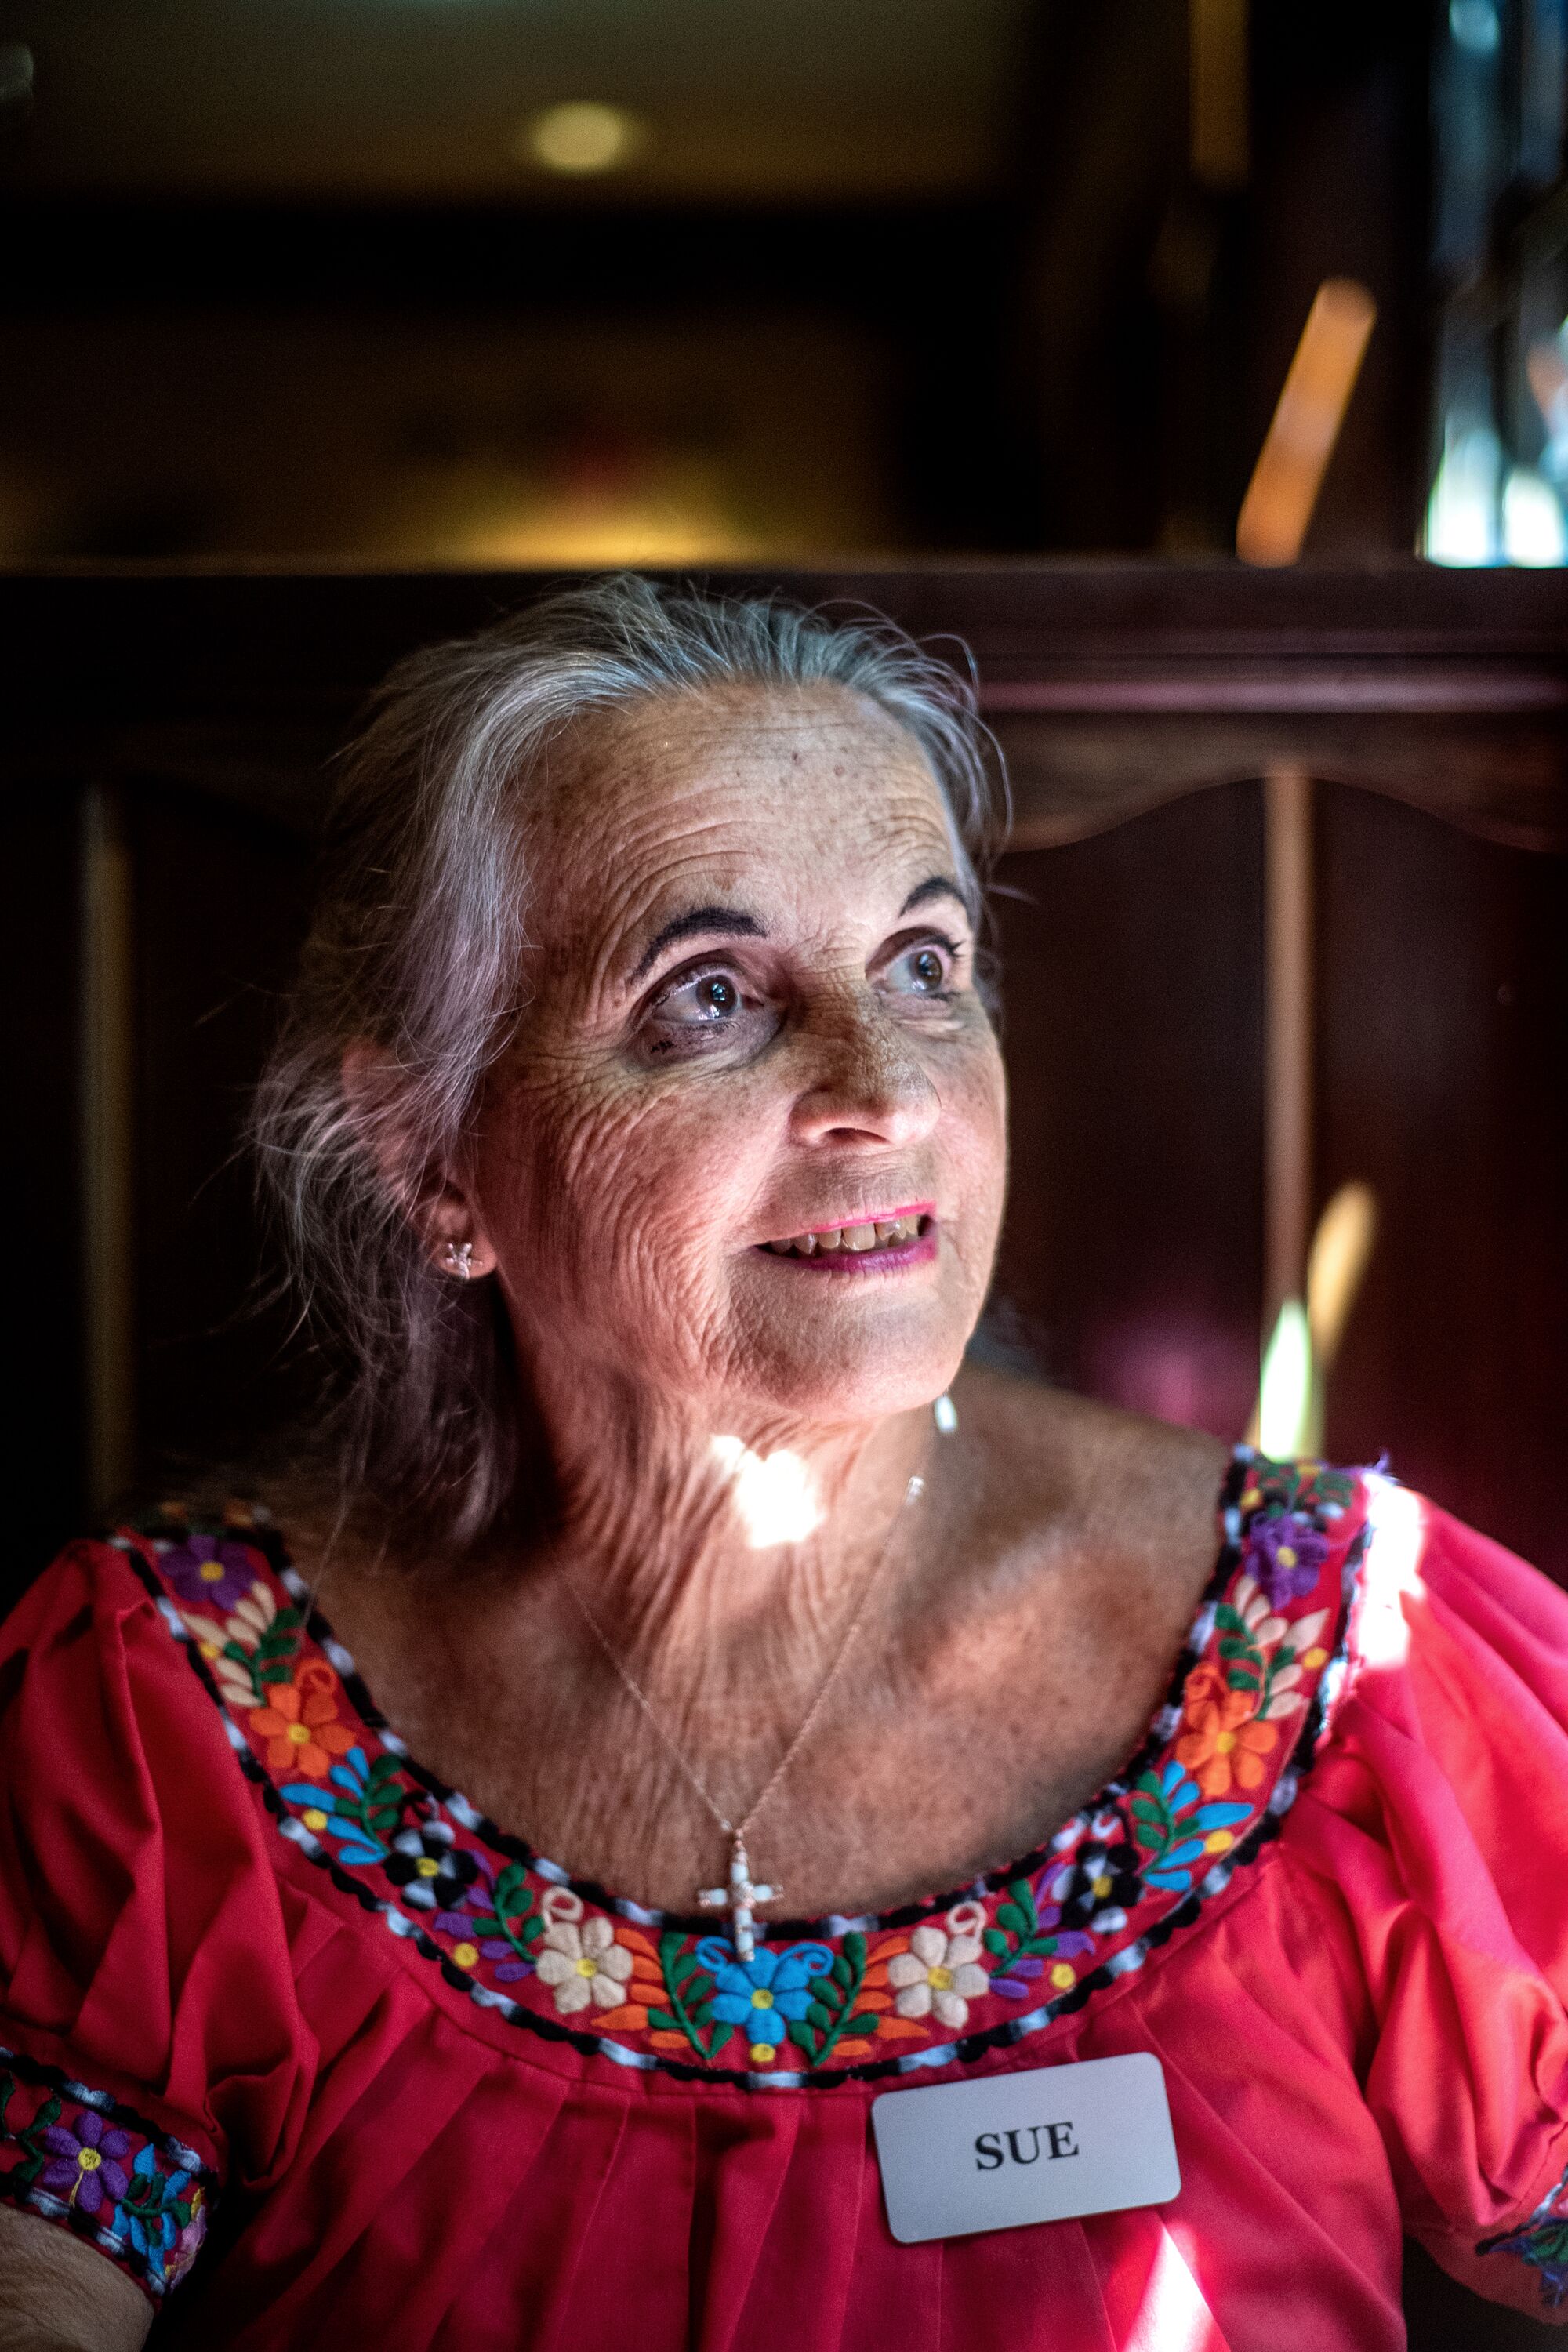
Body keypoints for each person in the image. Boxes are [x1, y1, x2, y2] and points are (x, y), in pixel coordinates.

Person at [1, 578, 1566, 2352]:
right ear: (429, 1154)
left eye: (924, 964)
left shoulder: (1342, 1664)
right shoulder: (174, 1718)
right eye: (712, 996)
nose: (880, 1090)